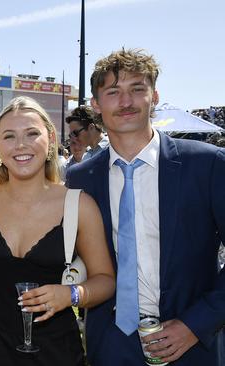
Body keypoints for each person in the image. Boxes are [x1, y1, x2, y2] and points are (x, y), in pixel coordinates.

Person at [67, 48, 225, 365]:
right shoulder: (79, 178)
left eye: (137, 89)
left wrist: (196, 323)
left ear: (154, 96)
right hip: (110, 345)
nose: (126, 102)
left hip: (192, 344)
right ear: (96, 104)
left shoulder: (206, 164)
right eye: (113, 92)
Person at [0, 96, 115, 366]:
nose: (21, 145)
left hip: (56, 352)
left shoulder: (78, 204)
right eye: (9, 136)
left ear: (49, 139)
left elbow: (105, 279)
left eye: (32, 133)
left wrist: (71, 295)